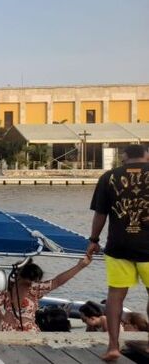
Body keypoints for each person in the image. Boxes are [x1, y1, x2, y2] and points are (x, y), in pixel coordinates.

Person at [86, 144, 149, 361]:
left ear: (124, 158)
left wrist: (93, 240)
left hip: (119, 247)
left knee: (115, 297)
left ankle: (113, 346)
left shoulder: (108, 177)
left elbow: (100, 214)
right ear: (146, 156)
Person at [0, 257, 90, 332]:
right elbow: (57, 281)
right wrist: (79, 266)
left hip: (8, 328)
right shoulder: (34, 288)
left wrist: (2, 317)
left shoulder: (8, 287)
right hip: (26, 329)